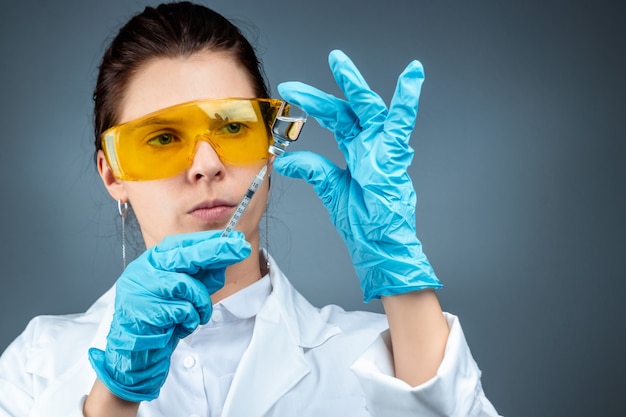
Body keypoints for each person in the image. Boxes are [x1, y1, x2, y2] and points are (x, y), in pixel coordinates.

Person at [0, 2, 501, 416]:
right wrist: (114, 395)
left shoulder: (376, 356)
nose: (206, 166)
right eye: (162, 138)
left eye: (234, 128)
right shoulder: (38, 362)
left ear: (270, 144)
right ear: (113, 174)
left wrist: (401, 274)